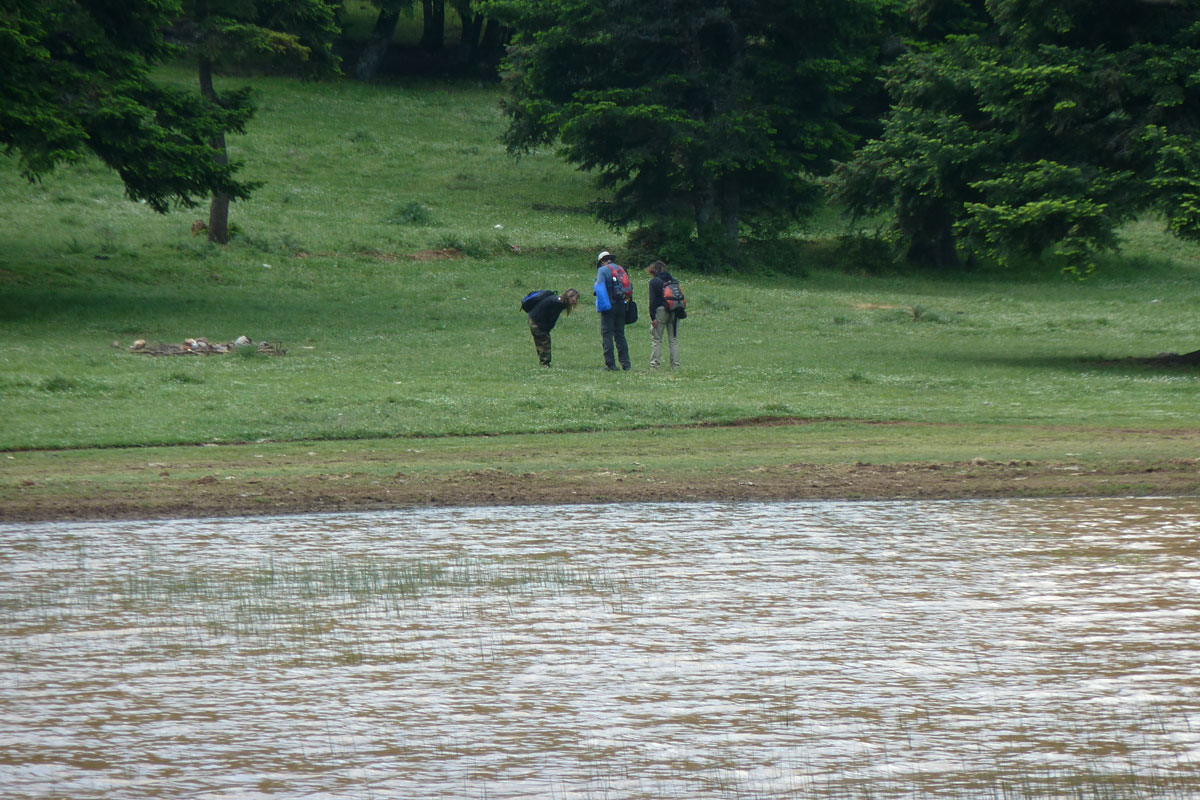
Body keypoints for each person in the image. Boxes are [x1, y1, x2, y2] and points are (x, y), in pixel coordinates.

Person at [593, 250, 632, 370]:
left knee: (607, 335)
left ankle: (610, 364)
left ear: (602, 261)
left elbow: (599, 288)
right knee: (620, 335)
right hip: (622, 305)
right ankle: (626, 364)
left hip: (609, 306)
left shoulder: (603, 271)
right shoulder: (621, 269)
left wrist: (602, 306)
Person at [526, 289, 580, 366]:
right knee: (544, 343)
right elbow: (551, 317)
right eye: (572, 297)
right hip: (537, 321)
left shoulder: (558, 300)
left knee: (541, 342)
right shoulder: (558, 303)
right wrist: (545, 329)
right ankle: (545, 364)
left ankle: (544, 362)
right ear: (567, 297)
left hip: (535, 318)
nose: (574, 300)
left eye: (576, 298)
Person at [646, 260, 681, 369]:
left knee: (657, 339)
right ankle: (675, 366)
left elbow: (652, 301)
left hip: (661, 311)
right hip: (674, 310)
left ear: (654, 270)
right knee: (673, 340)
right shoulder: (673, 281)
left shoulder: (654, 282)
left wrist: (653, 317)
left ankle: (654, 365)